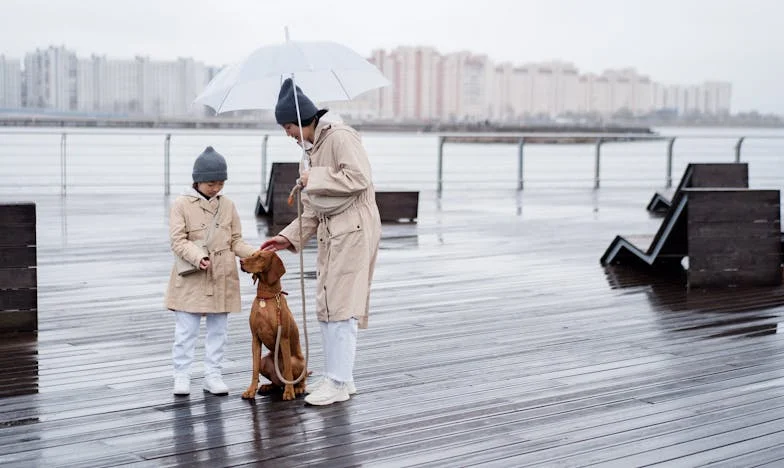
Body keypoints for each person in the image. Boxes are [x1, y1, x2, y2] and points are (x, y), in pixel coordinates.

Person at [261, 78, 381, 406]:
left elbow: (360, 178)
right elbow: (314, 208)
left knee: (341, 307)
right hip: (334, 232)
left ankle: (339, 382)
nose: (287, 134)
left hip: (353, 230)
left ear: (303, 120)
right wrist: (286, 238)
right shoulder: (312, 150)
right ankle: (340, 377)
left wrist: (313, 177)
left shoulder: (341, 137)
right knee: (328, 305)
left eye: (288, 126)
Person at [165, 146, 258, 396]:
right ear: (197, 181)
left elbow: (235, 240)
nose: (216, 188)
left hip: (222, 274)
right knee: (186, 330)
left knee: (219, 330)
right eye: (210, 184)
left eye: (220, 183)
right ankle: (181, 375)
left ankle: (212, 375)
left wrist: (257, 255)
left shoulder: (228, 205)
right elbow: (177, 240)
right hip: (193, 275)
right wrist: (198, 257)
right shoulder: (181, 204)